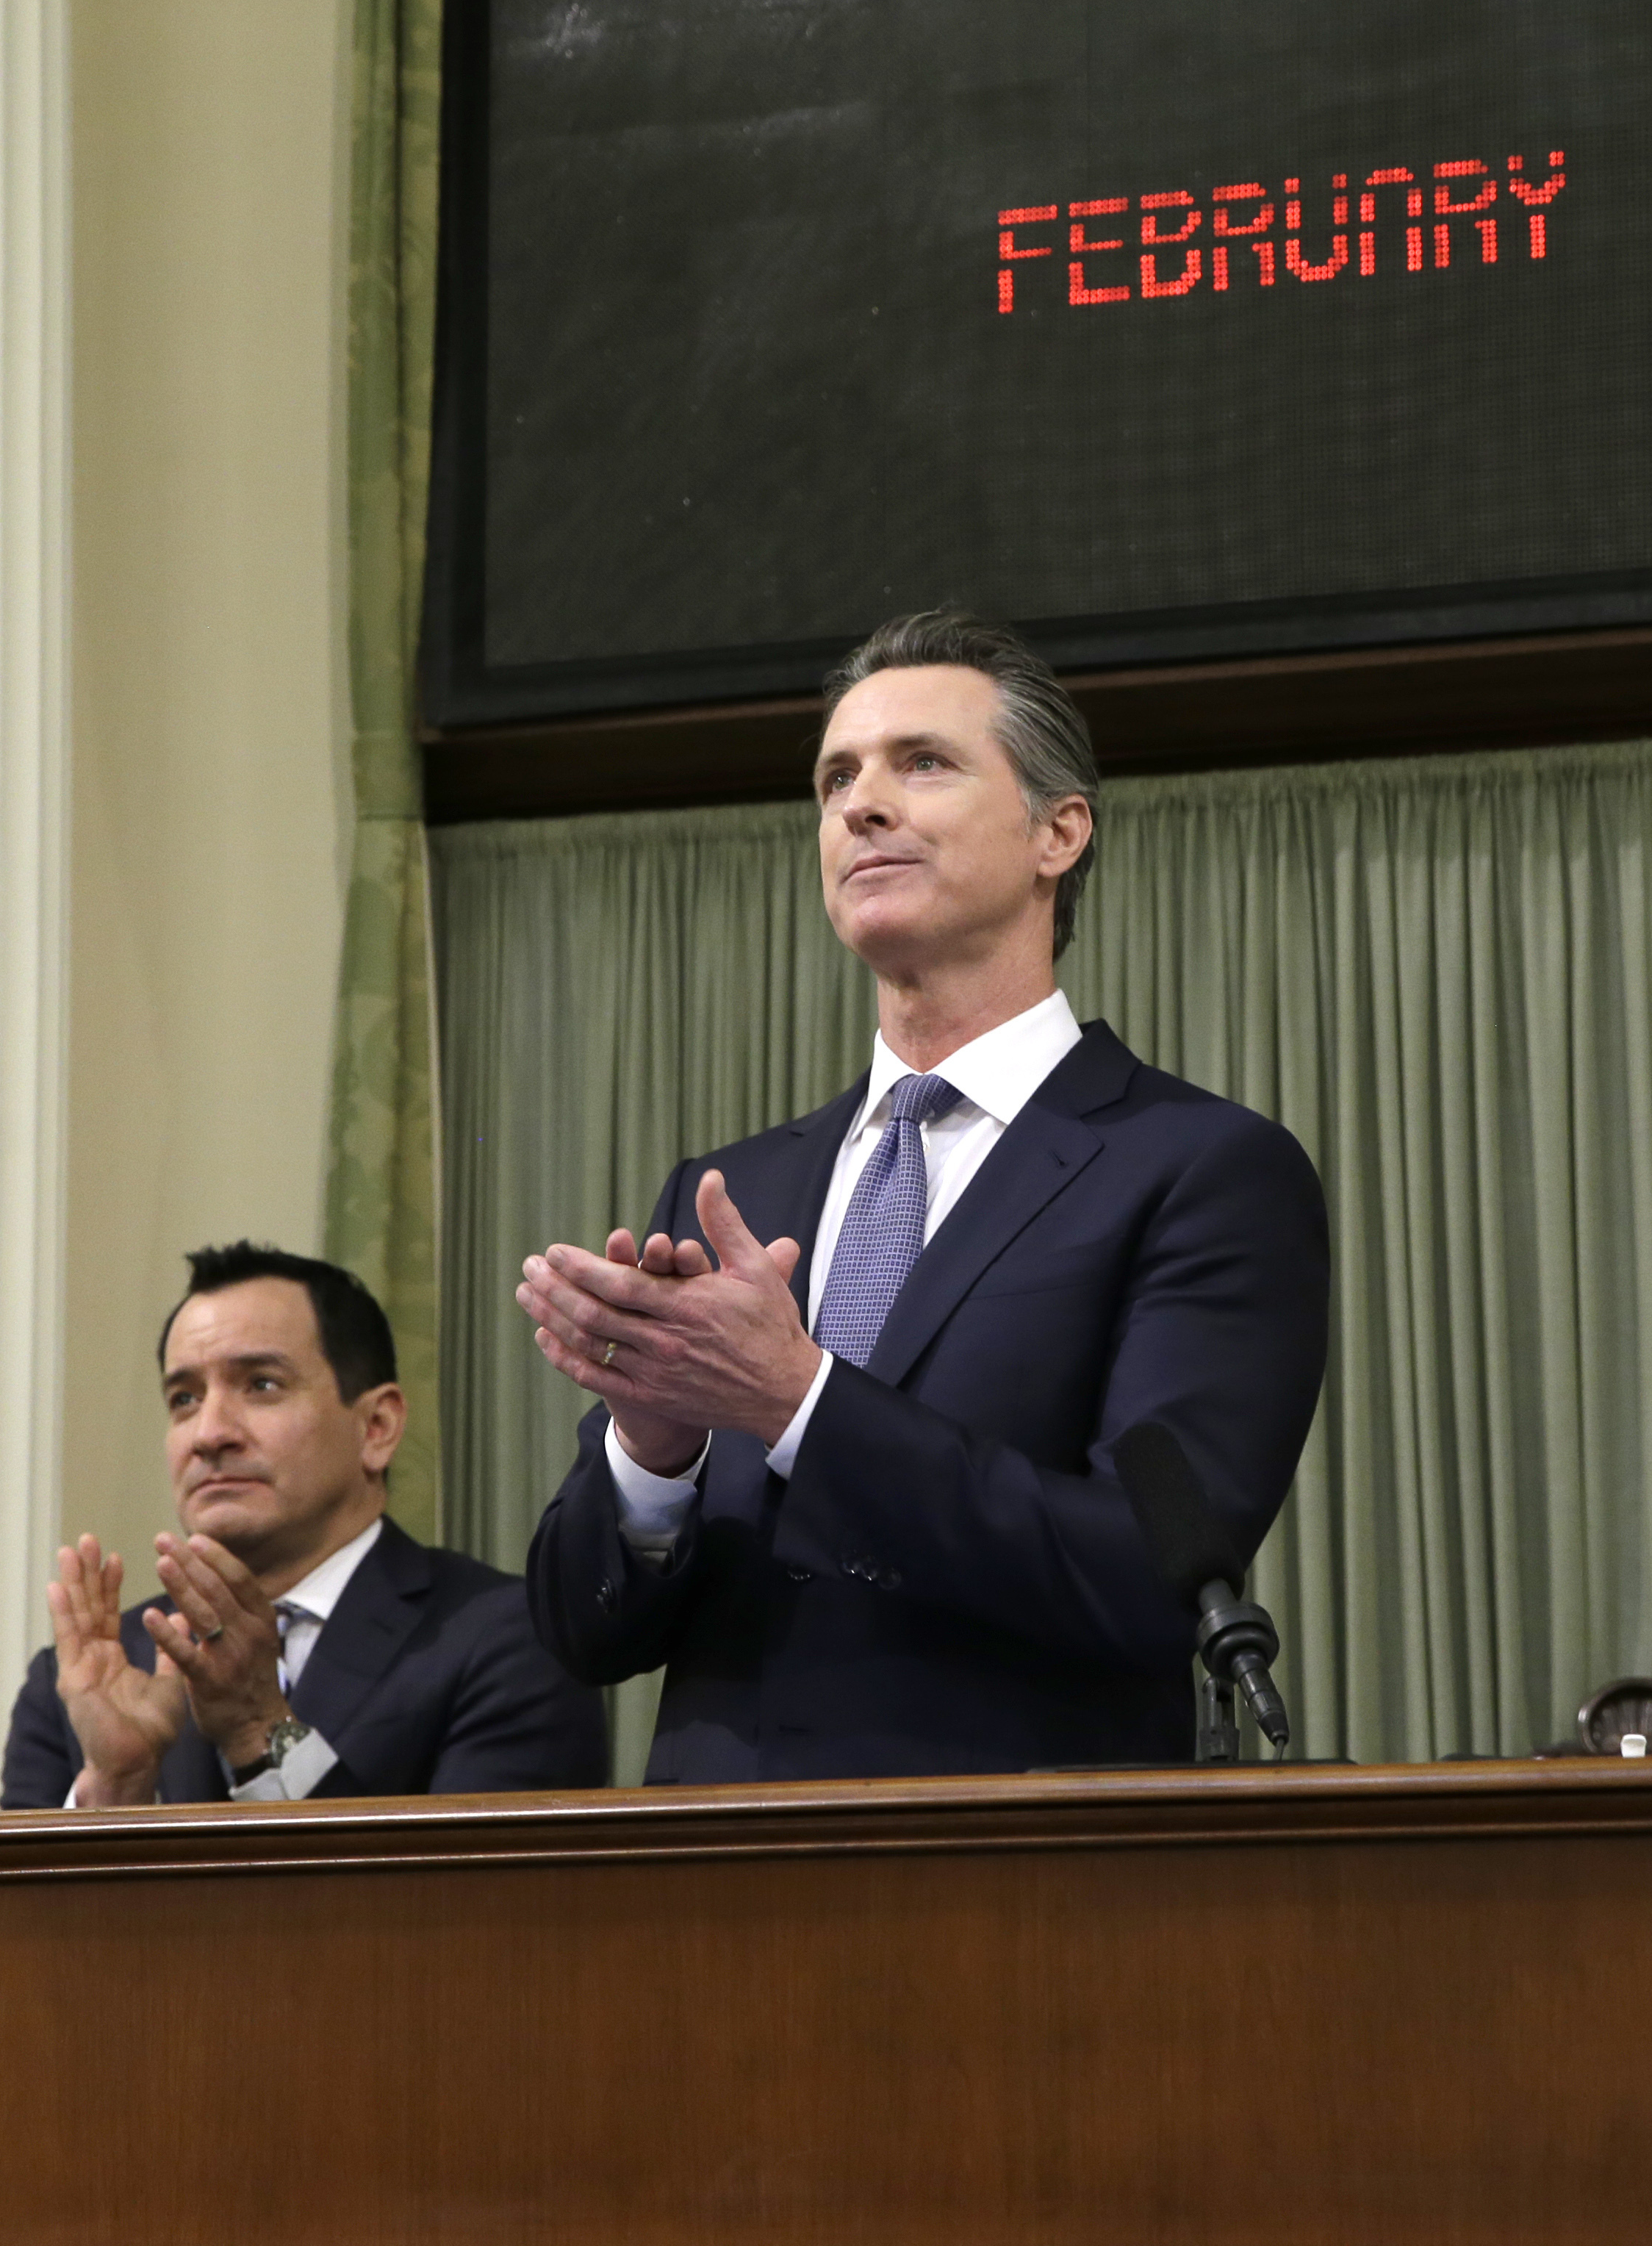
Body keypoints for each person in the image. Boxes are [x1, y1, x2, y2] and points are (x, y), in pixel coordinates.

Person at [514, 609, 1331, 1781]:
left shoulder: (1198, 1168)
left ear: (1059, 831)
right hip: (709, 1896)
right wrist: (656, 1449)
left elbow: (1144, 1578)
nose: (860, 804)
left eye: (923, 764)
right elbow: (584, 1631)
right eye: (835, 776)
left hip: (1005, 1888)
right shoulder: (733, 1190)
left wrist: (799, 1399)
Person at [1, 1244, 607, 1807]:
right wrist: (115, 1786)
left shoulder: (513, 1639)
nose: (209, 1433)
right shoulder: (86, 1677)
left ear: (377, 1428)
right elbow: (8, 1922)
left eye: (261, 1385)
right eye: (184, 1398)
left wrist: (258, 1732)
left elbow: (474, 1912)